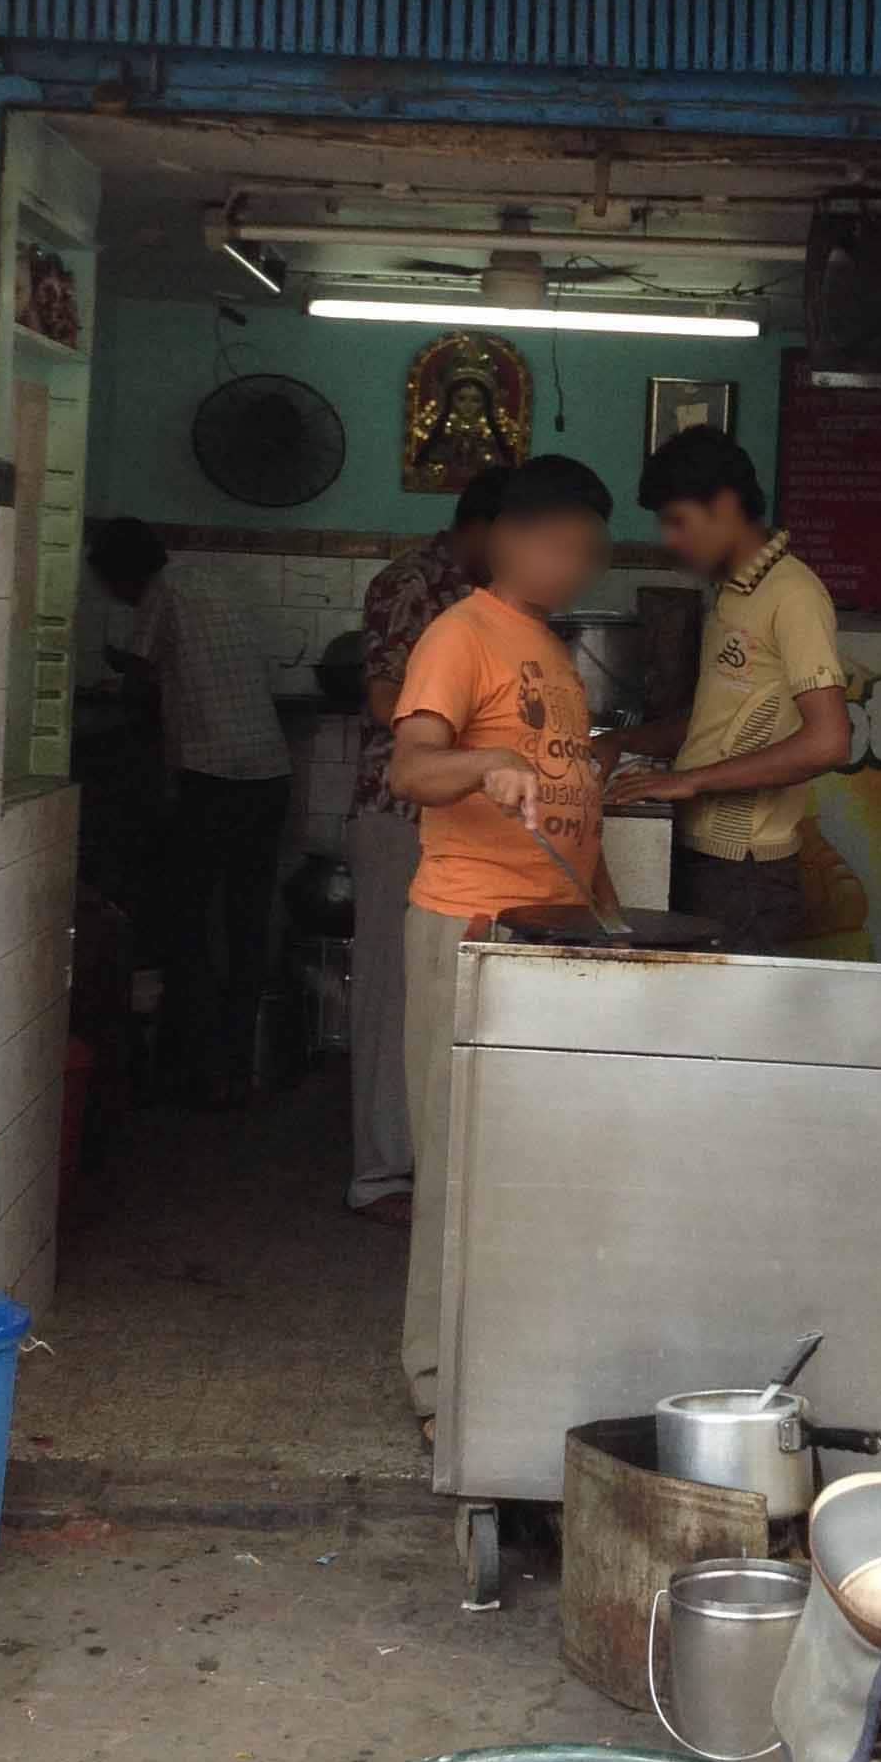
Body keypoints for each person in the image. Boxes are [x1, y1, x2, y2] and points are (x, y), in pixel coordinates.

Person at [388, 455, 612, 1434]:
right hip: (468, 925)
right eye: (564, 546)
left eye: (589, 552)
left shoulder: (549, 648)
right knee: (456, 1164)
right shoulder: (461, 633)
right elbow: (410, 768)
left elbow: (571, 802)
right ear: (514, 538)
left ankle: (509, 1368)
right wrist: (482, 761)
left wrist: (605, 918)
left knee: (523, 1166)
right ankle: (439, 1385)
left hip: (547, 931)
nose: (578, 567)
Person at [343, 464, 513, 1223]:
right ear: (480, 528)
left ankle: (432, 1170)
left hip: (458, 823)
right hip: (399, 814)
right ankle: (380, 1176)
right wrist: (478, 747)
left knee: (442, 1002)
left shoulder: (493, 600)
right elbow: (386, 697)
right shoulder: (412, 584)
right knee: (392, 997)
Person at [609, 427, 850, 955]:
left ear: (723, 505)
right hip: (708, 856)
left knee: (731, 1025)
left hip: (747, 873)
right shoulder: (733, 592)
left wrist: (691, 782)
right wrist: (617, 745)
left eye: (678, 521)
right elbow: (716, 724)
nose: (670, 539)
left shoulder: (793, 593)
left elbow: (829, 741)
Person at [86, 517, 292, 1108]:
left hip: (214, 778)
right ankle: (239, 1063)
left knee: (189, 919)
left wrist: (118, 673)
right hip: (270, 774)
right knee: (248, 919)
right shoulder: (210, 583)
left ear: (123, 574)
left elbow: (142, 677)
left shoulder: (161, 593)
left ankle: (192, 1067)